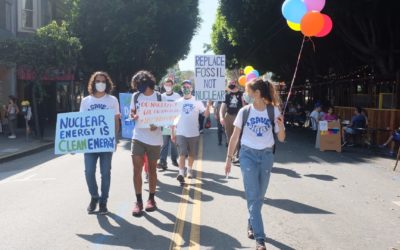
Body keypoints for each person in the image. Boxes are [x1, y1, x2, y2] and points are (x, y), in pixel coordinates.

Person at [225, 78, 285, 250]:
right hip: (247, 155)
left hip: (266, 156)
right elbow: (235, 137)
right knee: (253, 195)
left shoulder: (273, 111)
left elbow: (281, 138)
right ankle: (260, 239)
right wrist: (229, 159)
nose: (246, 94)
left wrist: (281, 127)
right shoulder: (244, 111)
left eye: (248, 91)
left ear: (257, 93)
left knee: (259, 197)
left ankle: (251, 221)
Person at [79, 71, 120, 215]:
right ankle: (94, 196)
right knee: (89, 172)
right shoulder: (86, 101)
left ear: (107, 83)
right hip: (90, 144)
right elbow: (81, 123)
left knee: (105, 173)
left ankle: (103, 201)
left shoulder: (112, 100)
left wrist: (114, 138)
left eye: (103, 81)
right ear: (93, 83)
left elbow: (116, 121)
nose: (100, 83)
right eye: (98, 81)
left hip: (106, 144)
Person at [130, 70, 165, 217]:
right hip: (138, 136)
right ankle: (138, 201)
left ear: (146, 82)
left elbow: (165, 117)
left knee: (152, 169)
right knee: (136, 169)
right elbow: (132, 113)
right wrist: (134, 116)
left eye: (139, 84)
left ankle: (151, 199)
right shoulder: (136, 96)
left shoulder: (159, 96)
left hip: (154, 139)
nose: (137, 86)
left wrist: (157, 124)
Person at [171, 80, 211, 185]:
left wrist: (208, 105)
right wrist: (172, 132)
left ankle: (189, 169)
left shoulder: (197, 101)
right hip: (180, 132)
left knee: (192, 154)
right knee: (182, 153)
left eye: (188, 86)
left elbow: (206, 115)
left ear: (191, 88)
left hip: (193, 133)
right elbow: (173, 118)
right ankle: (180, 173)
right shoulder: (177, 102)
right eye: (184, 87)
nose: (186, 88)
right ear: (181, 89)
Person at [158, 79, 180, 170]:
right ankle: (162, 161)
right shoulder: (161, 96)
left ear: (172, 85)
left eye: (169, 84)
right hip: (164, 123)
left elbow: (179, 108)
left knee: (174, 142)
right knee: (164, 143)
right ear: (163, 85)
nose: (168, 86)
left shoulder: (177, 96)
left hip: (174, 123)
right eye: (166, 84)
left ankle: (174, 159)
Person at [220, 80, 244, 163]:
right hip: (228, 117)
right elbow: (222, 107)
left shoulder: (242, 94)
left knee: (236, 136)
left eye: (232, 84)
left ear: (236, 84)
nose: (231, 85)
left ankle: (236, 155)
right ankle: (232, 155)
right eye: (230, 84)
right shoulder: (227, 95)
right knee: (229, 137)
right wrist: (221, 117)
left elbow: (244, 106)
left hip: (238, 117)